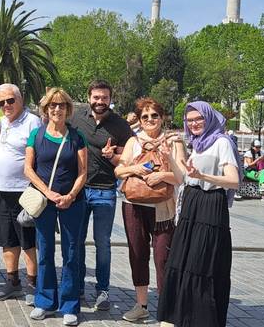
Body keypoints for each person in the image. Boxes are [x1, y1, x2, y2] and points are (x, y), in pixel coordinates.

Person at [157, 101, 241, 327]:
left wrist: (204, 177)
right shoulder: (198, 144)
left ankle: (201, 319)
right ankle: (182, 316)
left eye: (198, 119)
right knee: (183, 260)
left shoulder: (222, 141)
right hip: (191, 204)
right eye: (190, 120)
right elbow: (185, 177)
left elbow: (233, 180)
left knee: (202, 262)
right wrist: (169, 158)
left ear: (209, 118)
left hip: (210, 206)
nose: (193, 123)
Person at [113, 98, 185, 322]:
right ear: (139, 120)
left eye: (154, 115)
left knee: (163, 257)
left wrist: (161, 175)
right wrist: (137, 168)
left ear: (162, 117)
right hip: (134, 205)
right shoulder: (133, 142)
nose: (150, 120)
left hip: (163, 208)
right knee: (138, 255)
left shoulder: (174, 142)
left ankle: (166, 310)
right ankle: (141, 305)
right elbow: (119, 171)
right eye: (145, 117)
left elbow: (183, 176)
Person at [23, 88, 87, 326]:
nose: (57, 109)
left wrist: (70, 195)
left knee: (71, 254)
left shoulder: (77, 137)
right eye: (52, 105)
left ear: (68, 109)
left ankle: (70, 305)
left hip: (72, 203)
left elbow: (83, 172)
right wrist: (47, 192)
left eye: (61, 105)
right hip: (44, 202)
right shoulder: (36, 135)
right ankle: (45, 301)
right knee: (45, 251)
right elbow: (28, 168)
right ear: (46, 109)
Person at [70, 80, 134, 311]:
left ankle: (102, 290)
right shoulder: (75, 118)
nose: (100, 102)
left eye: (104, 98)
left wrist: (114, 154)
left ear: (110, 99)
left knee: (103, 244)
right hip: (78, 189)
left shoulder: (120, 125)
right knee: (76, 242)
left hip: (105, 190)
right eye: (96, 97)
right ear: (89, 97)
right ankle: (77, 288)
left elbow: (131, 156)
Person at [0, 83, 42, 302]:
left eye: (10, 100)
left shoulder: (33, 122)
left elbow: (39, 156)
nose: (6, 105)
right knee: (8, 239)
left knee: (27, 240)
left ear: (21, 99)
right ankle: (12, 282)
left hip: (24, 191)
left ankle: (33, 284)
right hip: (2, 190)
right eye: (1, 102)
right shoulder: (1, 122)